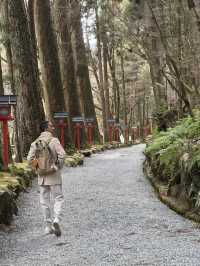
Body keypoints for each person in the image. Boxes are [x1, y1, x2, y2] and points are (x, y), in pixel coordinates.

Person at [27, 121, 66, 237]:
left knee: (44, 202)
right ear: (46, 128)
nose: (53, 128)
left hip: (42, 177)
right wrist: (56, 167)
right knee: (58, 198)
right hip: (53, 175)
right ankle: (57, 220)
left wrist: (38, 168)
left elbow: (29, 159)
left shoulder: (35, 143)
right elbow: (62, 154)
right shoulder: (54, 140)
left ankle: (48, 227)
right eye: (51, 126)